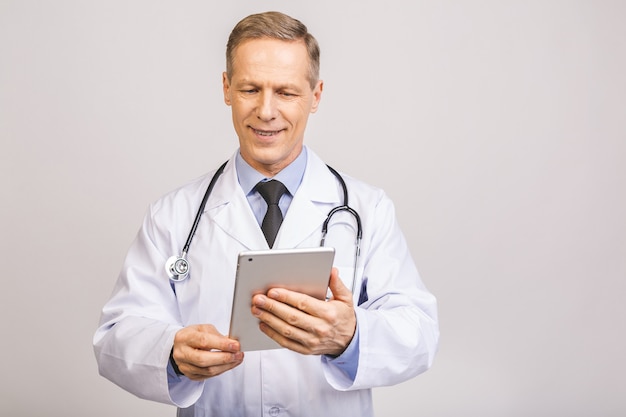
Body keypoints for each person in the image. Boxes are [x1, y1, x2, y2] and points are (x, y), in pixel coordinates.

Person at [93, 11, 439, 417]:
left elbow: (419, 333)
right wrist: (171, 353)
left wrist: (351, 335)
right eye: (250, 89)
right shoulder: (173, 215)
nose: (266, 110)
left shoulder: (368, 209)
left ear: (316, 94)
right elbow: (116, 337)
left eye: (286, 92)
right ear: (226, 88)